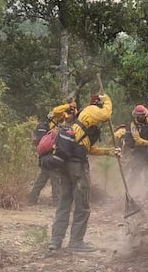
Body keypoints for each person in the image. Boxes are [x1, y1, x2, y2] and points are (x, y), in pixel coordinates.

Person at [49, 93, 120, 252]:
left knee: (64, 203)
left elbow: (88, 149)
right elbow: (107, 113)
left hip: (65, 164)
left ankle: (55, 241)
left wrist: (109, 152)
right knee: (82, 204)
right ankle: (76, 242)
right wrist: (107, 98)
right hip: (77, 167)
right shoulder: (91, 110)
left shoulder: (81, 123)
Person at [27, 100, 77, 205]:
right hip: (51, 152)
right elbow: (55, 110)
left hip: (48, 153)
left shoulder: (61, 120)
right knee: (55, 177)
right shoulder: (56, 116)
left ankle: (32, 199)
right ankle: (56, 201)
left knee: (43, 176)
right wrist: (69, 105)